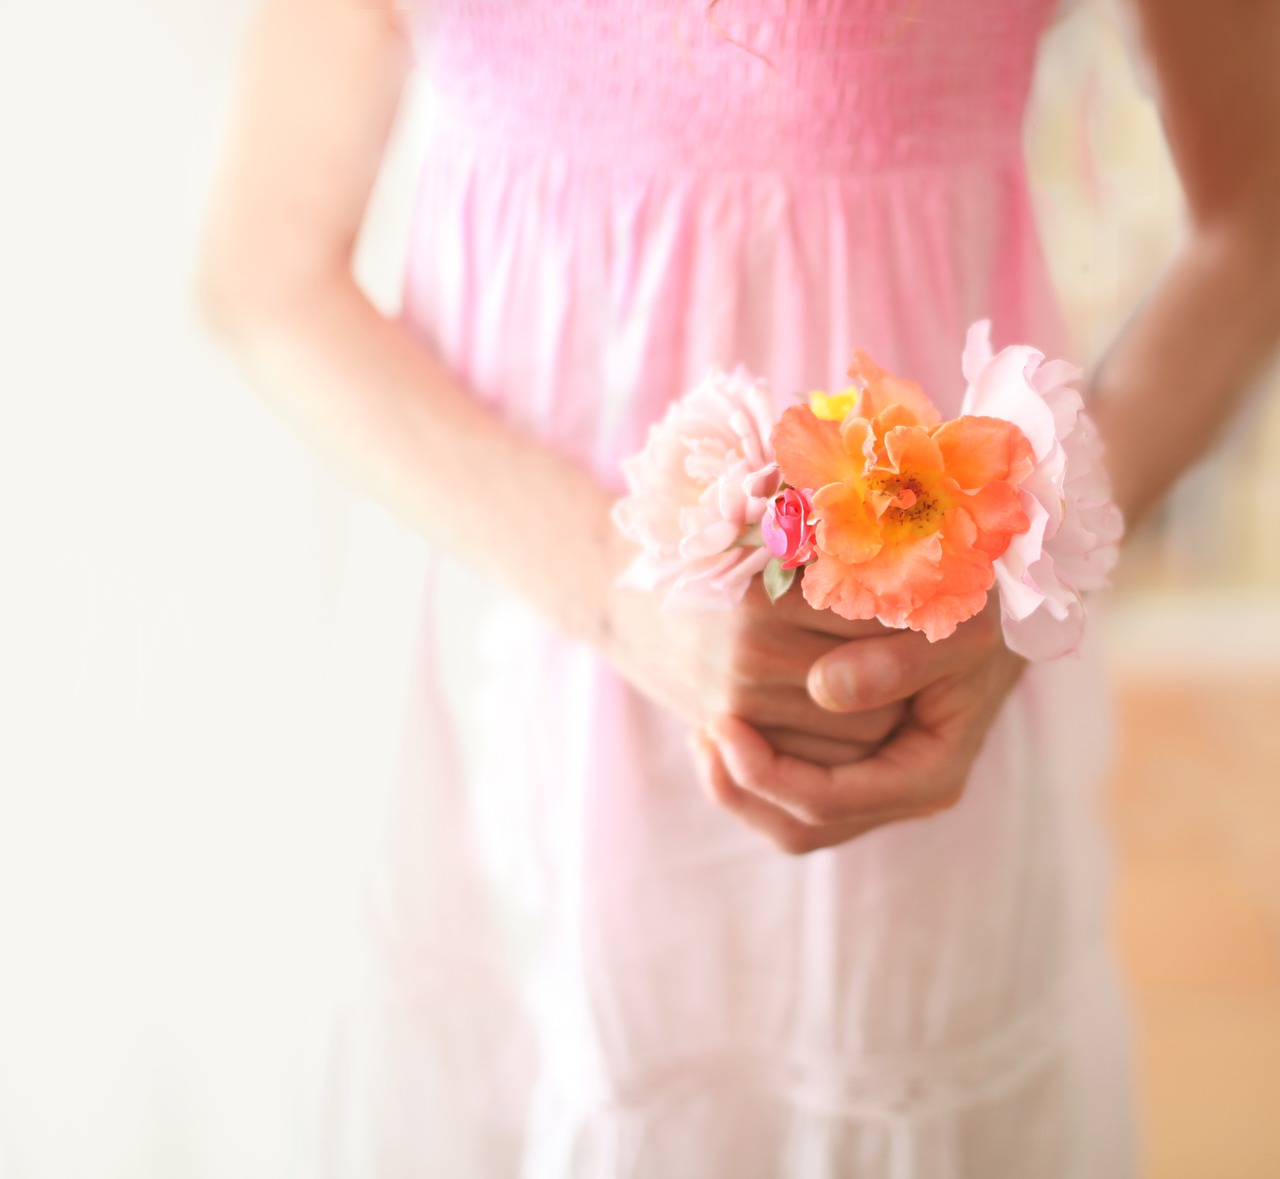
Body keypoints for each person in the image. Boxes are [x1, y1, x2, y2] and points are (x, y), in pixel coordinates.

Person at [197, 0, 1280, 1174]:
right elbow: (266, 268)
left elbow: (1257, 223)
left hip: (914, 692)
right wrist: (618, 592)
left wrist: (1022, 581)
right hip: (509, 683)